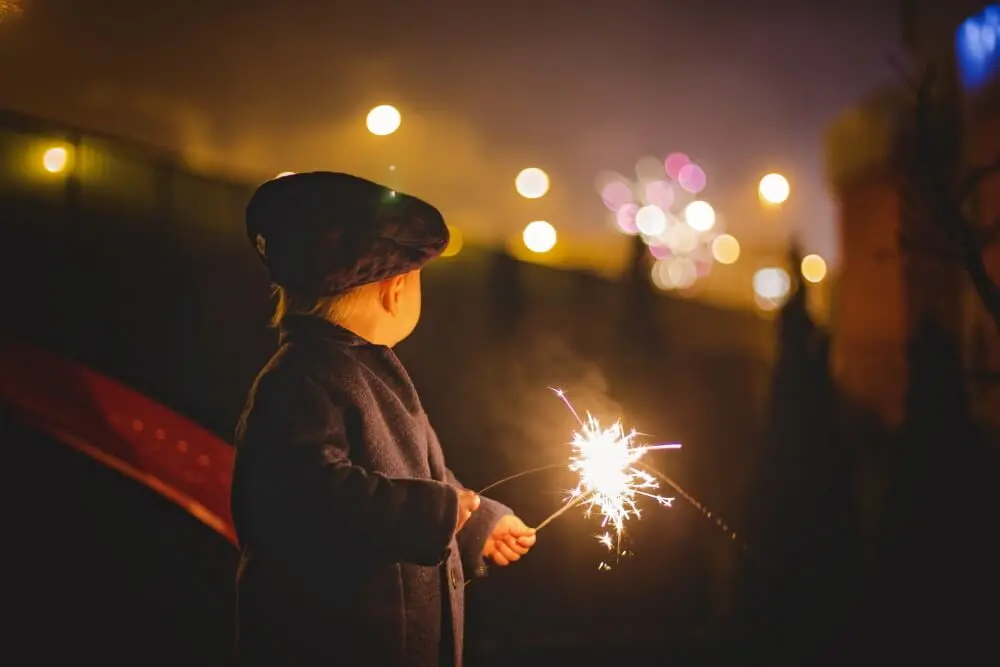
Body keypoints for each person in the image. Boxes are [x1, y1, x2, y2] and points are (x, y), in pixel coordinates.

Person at [231, 172, 536, 667]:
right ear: (394, 290)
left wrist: (475, 522)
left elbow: (422, 480)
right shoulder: (301, 379)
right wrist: (435, 513)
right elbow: (314, 495)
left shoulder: (369, 371)